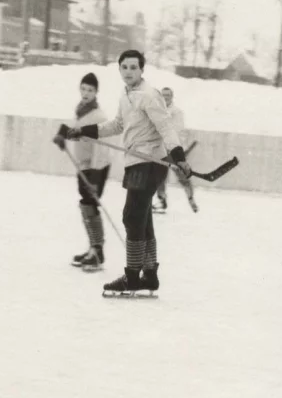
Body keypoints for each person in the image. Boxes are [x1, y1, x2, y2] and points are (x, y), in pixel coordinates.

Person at [61, 49, 190, 297]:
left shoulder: (149, 96)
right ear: (119, 70)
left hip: (149, 161)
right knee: (142, 219)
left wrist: (179, 155)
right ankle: (149, 275)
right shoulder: (126, 94)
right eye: (125, 67)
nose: (129, 71)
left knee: (132, 216)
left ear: (142, 69)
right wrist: (84, 131)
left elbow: (166, 126)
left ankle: (132, 276)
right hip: (136, 162)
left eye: (134, 67)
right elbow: (117, 125)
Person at [67, 72, 111, 271]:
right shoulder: (81, 110)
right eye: (83, 89)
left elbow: (100, 149)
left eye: (90, 90)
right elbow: (77, 131)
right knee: (85, 205)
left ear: (96, 92)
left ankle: (98, 252)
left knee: (90, 205)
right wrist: (63, 135)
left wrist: (94, 178)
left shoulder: (98, 116)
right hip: (83, 165)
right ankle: (93, 248)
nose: (86, 93)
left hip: (96, 167)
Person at [154, 87, 198, 214]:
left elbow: (178, 131)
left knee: (183, 177)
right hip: (161, 150)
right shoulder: (157, 112)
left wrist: (177, 151)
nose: (165, 97)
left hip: (174, 150)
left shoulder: (177, 112)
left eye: (167, 95)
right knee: (159, 177)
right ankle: (162, 201)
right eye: (163, 95)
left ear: (171, 97)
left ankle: (191, 199)